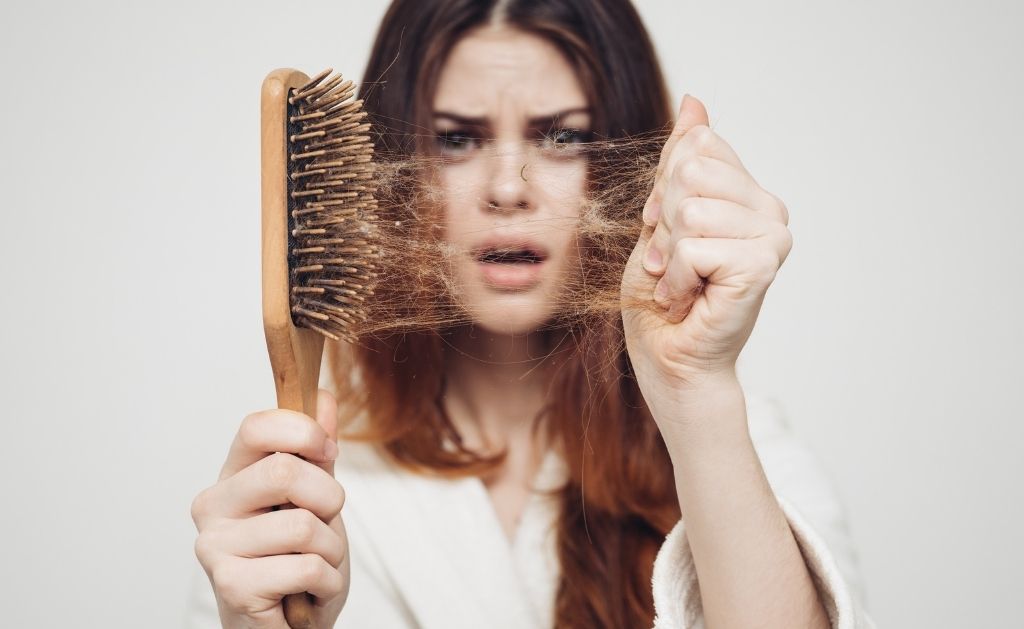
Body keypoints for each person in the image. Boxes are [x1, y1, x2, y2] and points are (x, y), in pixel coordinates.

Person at [188, 0, 876, 627]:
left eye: (560, 138)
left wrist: (695, 392)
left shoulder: (732, 442)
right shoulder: (293, 496)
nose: (508, 188)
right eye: (457, 139)